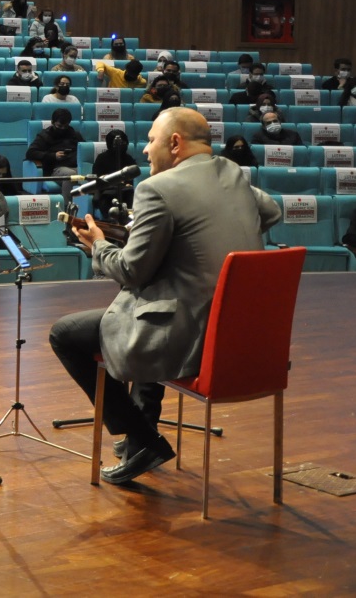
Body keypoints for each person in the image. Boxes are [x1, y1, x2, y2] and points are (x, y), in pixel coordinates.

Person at [51, 108, 282, 484]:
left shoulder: (157, 189)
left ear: (175, 143)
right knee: (154, 303)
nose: (144, 151)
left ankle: (143, 439)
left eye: (152, 140)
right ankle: (139, 438)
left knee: (66, 333)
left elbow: (130, 271)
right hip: (237, 334)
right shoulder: (233, 173)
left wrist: (98, 246)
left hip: (189, 336)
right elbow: (271, 212)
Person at [26, 106, 81, 198]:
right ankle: (67, 207)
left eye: (65, 126)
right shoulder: (45, 135)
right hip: (55, 168)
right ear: (52, 122)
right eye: (59, 126)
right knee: (71, 175)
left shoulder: (74, 134)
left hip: (75, 165)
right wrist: (53, 156)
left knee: (88, 172)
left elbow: (83, 149)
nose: (62, 129)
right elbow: (30, 152)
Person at [90, 129, 139, 215]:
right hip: (107, 192)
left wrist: (127, 184)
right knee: (106, 201)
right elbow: (97, 179)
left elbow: (133, 178)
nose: (121, 146)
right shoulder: (102, 158)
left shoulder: (128, 158)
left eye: (123, 143)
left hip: (125, 191)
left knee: (132, 196)